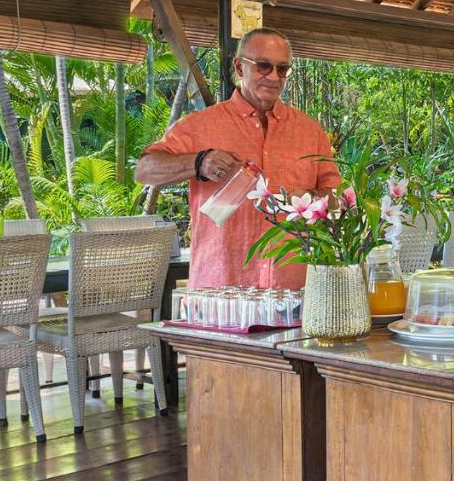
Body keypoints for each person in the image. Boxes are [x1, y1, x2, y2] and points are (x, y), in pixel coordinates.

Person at [135, 28, 340, 289]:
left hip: (295, 292)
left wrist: (308, 199)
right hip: (221, 293)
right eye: (264, 66)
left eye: (282, 69)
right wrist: (199, 162)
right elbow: (144, 170)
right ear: (240, 67)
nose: (273, 77)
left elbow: (338, 200)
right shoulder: (201, 125)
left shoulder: (309, 131)